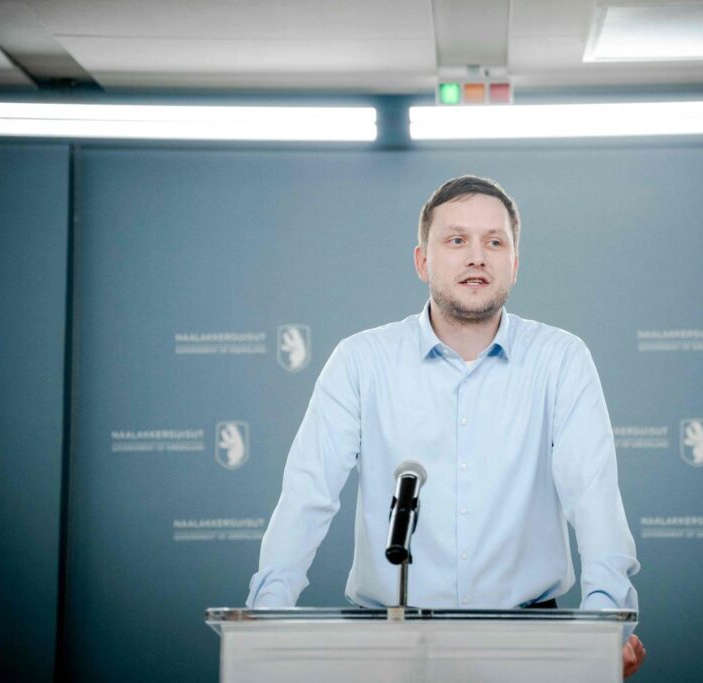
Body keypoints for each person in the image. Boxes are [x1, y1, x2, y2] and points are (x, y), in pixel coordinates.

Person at [248, 175, 646, 677]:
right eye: (457, 240)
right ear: (423, 262)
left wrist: (604, 624)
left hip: (529, 647)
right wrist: (264, 623)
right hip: (391, 645)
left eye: (494, 242)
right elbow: (307, 495)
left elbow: (594, 498)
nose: (477, 257)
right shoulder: (360, 361)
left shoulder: (561, 359)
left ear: (514, 264)